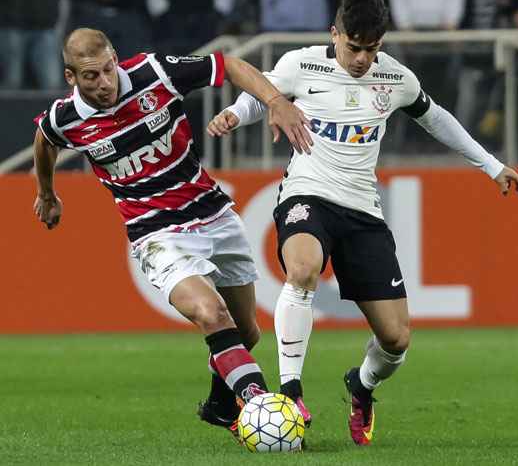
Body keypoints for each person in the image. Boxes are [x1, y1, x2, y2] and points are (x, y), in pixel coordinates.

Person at [207, 0, 518, 446]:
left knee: (396, 340)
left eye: (371, 49)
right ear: (334, 33)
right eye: (353, 46)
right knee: (302, 270)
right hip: (307, 193)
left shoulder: (396, 79)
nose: (360, 58)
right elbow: (263, 95)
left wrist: (492, 165)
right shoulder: (302, 64)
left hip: (362, 211)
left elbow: (436, 119)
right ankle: (291, 392)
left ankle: (362, 385)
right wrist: (235, 115)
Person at [31, 28, 312, 439]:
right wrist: (46, 192)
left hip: (212, 212)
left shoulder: (153, 73)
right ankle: (264, 411)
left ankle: (220, 405)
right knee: (211, 314)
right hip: (156, 233)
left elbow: (228, 65)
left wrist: (274, 102)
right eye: (91, 76)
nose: (105, 82)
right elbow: (45, 140)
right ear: (72, 77)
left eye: (108, 69)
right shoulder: (66, 117)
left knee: (246, 331)